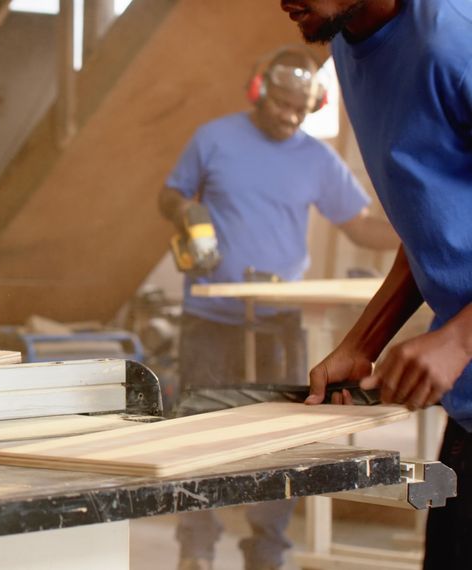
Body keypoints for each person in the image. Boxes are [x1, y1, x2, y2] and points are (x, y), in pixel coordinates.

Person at [159, 46, 400, 570]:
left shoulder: (316, 160)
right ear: (258, 90)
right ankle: (195, 551)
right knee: (197, 434)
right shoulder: (214, 138)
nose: (289, 116)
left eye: (299, 108)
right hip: (209, 319)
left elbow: (357, 225)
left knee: (281, 439)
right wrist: (186, 213)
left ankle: (267, 554)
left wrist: (417, 229)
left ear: (312, 105)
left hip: (279, 323)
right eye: (281, 104)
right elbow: (170, 195)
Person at [277, 0, 472, 567]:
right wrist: (364, 341)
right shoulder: (348, 42)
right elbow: (435, 221)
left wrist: (458, 339)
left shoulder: (453, 44)